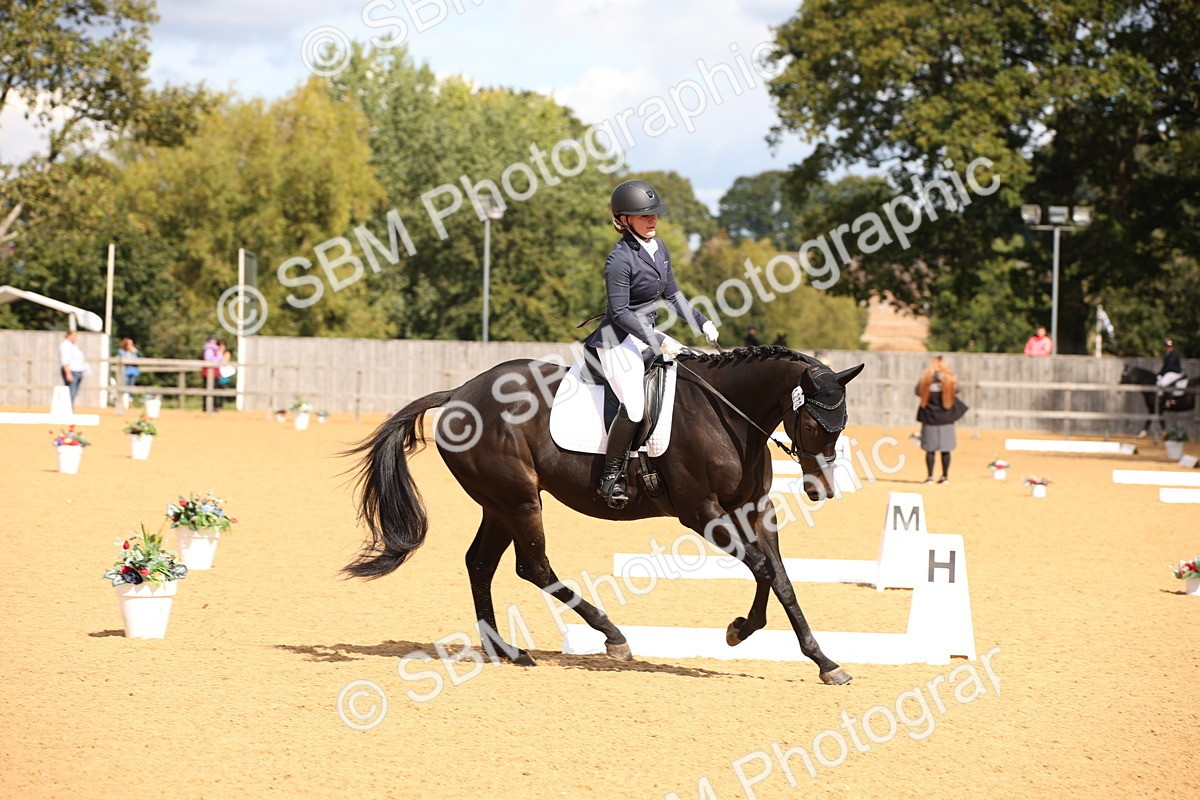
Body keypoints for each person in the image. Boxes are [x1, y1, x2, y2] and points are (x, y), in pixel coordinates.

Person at [583, 179, 719, 507]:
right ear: (623, 220)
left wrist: (702, 322)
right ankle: (610, 477)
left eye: (654, 214)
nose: (652, 220)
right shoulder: (620, 258)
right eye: (643, 216)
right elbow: (619, 312)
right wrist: (657, 339)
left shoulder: (659, 249)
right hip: (616, 340)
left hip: (645, 336)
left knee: (690, 379)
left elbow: (672, 294)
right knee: (633, 406)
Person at [915, 355, 968, 483]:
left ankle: (930, 477)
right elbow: (958, 389)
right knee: (946, 449)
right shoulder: (949, 378)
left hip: (929, 417)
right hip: (946, 418)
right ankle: (945, 477)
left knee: (930, 449)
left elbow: (917, 391)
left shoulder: (925, 379)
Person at [59, 330, 89, 409]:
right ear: (68, 336)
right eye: (73, 335)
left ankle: (70, 410)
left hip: (78, 371)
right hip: (72, 371)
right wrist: (68, 373)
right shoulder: (65, 345)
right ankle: (68, 411)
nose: (75, 337)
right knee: (70, 393)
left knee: (74, 393)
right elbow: (65, 361)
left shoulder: (74, 345)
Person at [215, 340, 235, 410]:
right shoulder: (216, 353)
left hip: (223, 374)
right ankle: (216, 405)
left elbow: (224, 362)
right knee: (215, 389)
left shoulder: (226, 353)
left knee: (222, 389)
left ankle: (220, 405)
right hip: (217, 373)